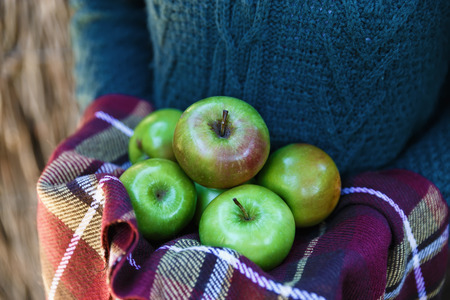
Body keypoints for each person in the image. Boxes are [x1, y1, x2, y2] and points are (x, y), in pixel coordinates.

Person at [37, 0, 450, 299]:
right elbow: (109, 11)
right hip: (160, 190)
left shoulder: (391, 229)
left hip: (377, 235)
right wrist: (119, 117)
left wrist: (418, 198)